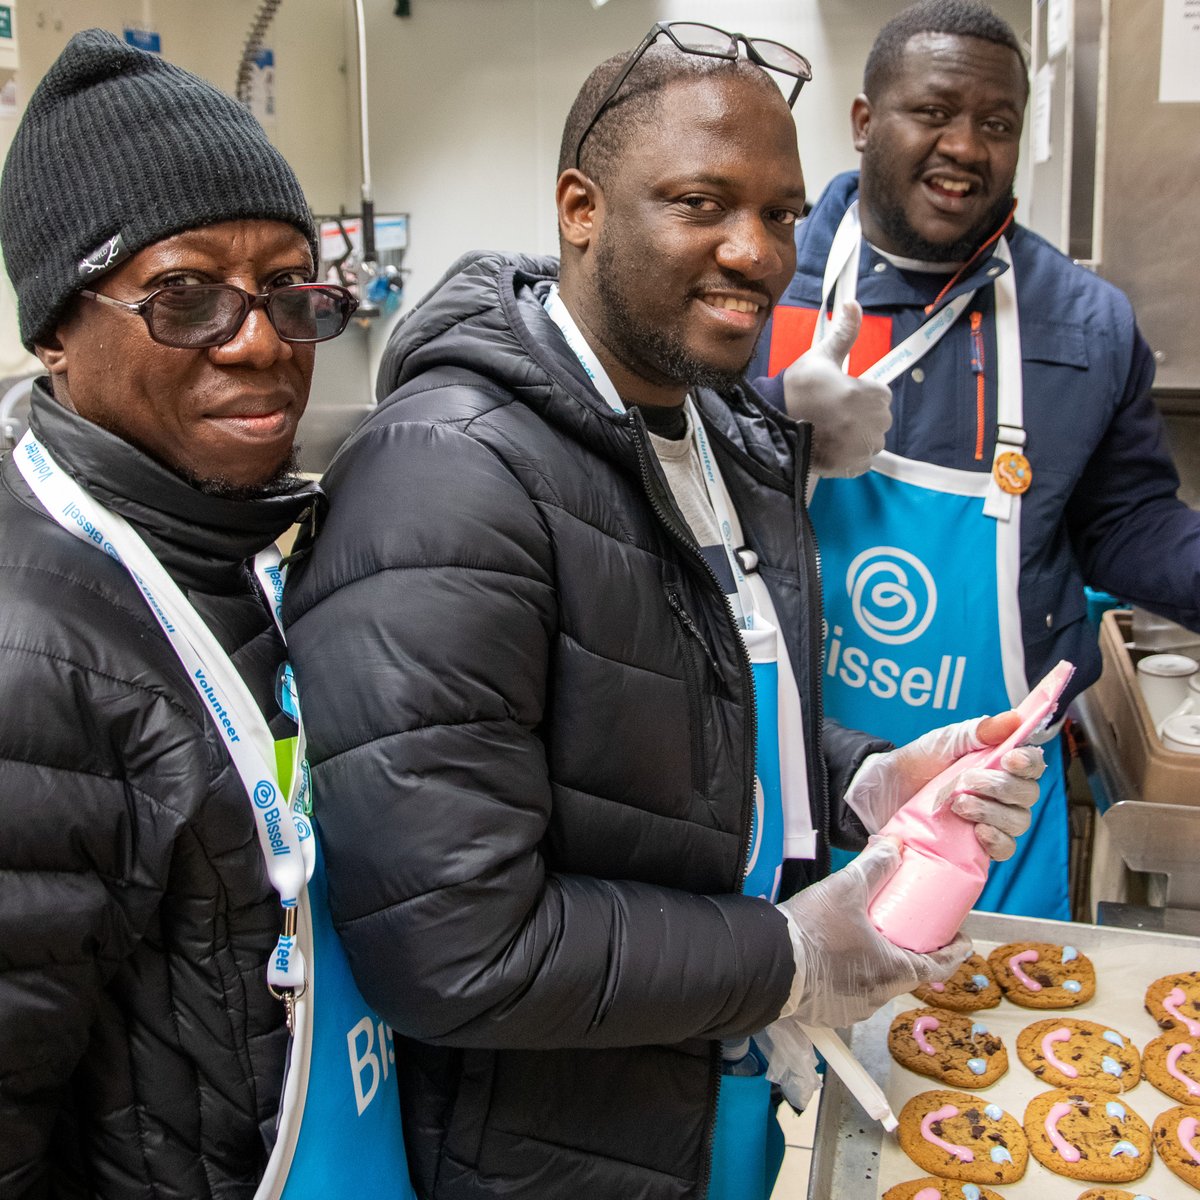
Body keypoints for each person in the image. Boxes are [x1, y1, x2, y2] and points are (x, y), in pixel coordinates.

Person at [284, 24, 1041, 1200]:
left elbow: (692, 717)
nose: (756, 251)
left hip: (704, 1094)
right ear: (580, 207)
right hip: (554, 1148)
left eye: (783, 214)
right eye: (702, 202)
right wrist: (786, 955)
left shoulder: (716, 426)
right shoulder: (445, 483)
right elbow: (453, 946)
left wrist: (861, 778)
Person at [0, 30, 368, 1198]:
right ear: (58, 329)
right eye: (187, 299)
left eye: (287, 292)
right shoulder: (34, 654)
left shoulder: (229, 535)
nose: (259, 343)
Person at [751, 0, 1200, 920]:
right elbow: (652, 478)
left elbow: (1124, 527)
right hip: (783, 781)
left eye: (997, 124)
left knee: (989, 1042)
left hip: (989, 805)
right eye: (934, 111)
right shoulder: (758, 280)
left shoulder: (1083, 325)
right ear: (866, 122)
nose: (966, 146)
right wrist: (768, 418)